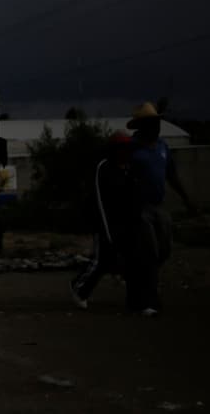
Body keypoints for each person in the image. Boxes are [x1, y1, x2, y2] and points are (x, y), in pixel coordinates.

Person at [124, 101, 195, 316]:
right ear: (140, 126)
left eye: (157, 122)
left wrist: (186, 199)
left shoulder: (163, 147)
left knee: (164, 250)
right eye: (151, 123)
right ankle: (149, 299)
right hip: (140, 208)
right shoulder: (132, 148)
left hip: (158, 206)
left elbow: (171, 175)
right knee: (150, 253)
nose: (156, 127)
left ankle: (138, 288)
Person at [69, 132, 136, 309]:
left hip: (121, 222)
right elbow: (99, 199)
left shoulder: (127, 169)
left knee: (118, 258)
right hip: (104, 221)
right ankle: (79, 288)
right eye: (121, 149)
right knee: (101, 259)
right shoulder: (105, 168)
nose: (125, 152)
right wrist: (106, 228)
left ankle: (134, 295)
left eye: (127, 149)